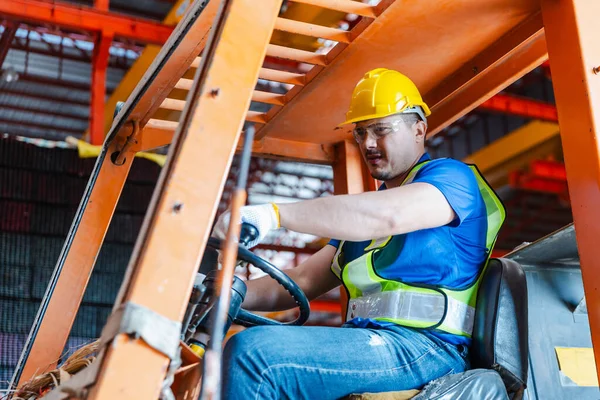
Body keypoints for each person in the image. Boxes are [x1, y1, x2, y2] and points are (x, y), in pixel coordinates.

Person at [212, 68, 504, 399]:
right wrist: (222, 291)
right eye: (360, 132)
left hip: (427, 348)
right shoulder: (361, 223)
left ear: (419, 129)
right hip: (373, 344)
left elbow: (388, 216)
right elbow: (303, 281)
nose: (368, 143)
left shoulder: (451, 178)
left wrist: (275, 214)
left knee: (255, 356)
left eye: (381, 130)